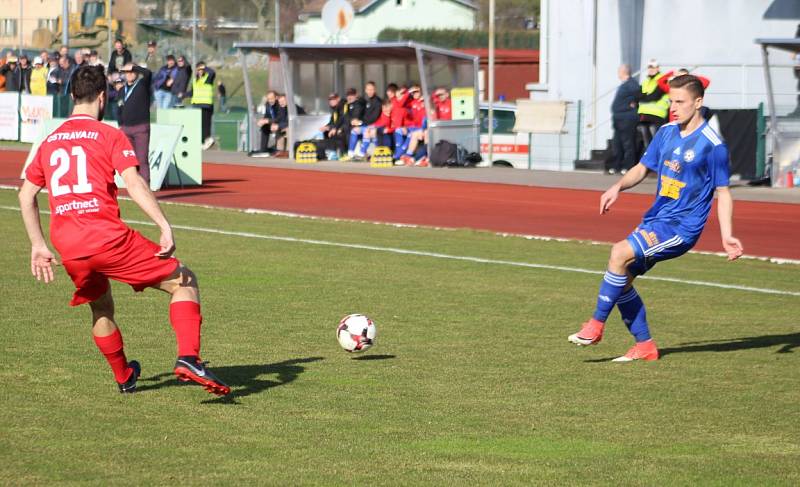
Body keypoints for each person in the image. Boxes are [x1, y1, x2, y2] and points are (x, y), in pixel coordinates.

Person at [17, 65, 230, 396]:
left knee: (101, 307)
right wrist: (163, 225)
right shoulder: (109, 135)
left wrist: (37, 245)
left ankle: (124, 375)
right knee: (183, 280)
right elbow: (133, 181)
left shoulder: (49, 141)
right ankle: (189, 357)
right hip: (106, 237)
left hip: (69, 247)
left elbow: (26, 193)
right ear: (103, 97)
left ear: (72, 96)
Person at [567, 75, 743, 362]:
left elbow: (723, 193)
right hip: (657, 219)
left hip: (681, 227)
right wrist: (617, 187)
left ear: (698, 102)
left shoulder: (713, 145)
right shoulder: (666, 132)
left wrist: (727, 235)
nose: (673, 107)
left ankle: (595, 326)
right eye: (671, 101)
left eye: (680, 101)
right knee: (621, 279)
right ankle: (645, 345)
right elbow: (641, 168)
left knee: (619, 252)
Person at [117, 63, 153, 183]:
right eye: (126, 72)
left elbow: (148, 73)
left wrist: (134, 67)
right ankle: (134, 186)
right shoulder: (122, 89)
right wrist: (120, 124)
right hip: (126, 129)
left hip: (140, 128)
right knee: (130, 161)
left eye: (131, 72)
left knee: (142, 160)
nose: (129, 74)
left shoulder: (142, 84)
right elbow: (119, 108)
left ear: (136, 73)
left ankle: (145, 187)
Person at [609, 64, 640, 175]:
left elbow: (638, 92)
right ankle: (616, 165)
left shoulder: (631, 83)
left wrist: (635, 102)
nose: (618, 73)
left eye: (619, 70)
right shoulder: (624, 85)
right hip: (618, 118)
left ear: (624, 72)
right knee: (617, 143)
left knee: (628, 143)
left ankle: (629, 167)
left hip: (627, 118)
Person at [636, 59, 669, 152]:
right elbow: (637, 95)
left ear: (658, 68)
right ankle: (650, 165)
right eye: (649, 67)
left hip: (657, 116)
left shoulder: (663, 79)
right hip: (644, 115)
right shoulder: (645, 81)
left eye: (653, 67)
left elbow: (655, 96)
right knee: (647, 145)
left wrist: (644, 96)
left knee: (657, 143)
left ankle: (659, 165)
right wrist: (645, 96)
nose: (651, 69)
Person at [345, 81, 381, 160]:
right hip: (366, 125)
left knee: (366, 131)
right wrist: (357, 122)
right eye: (368, 89)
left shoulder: (377, 101)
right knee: (354, 130)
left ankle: (362, 154)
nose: (370, 91)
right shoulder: (367, 101)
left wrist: (361, 123)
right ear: (365, 90)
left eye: (372, 89)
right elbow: (365, 115)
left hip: (375, 125)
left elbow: (374, 117)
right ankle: (350, 154)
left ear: (375, 90)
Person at [396, 84, 426, 163]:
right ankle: (400, 155)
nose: (415, 94)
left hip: (421, 128)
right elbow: (400, 104)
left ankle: (404, 156)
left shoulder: (425, 101)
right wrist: (408, 92)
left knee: (412, 134)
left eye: (417, 92)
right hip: (412, 127)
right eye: (414, 92)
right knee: (398, 130)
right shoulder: (411, 102)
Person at [189, 61, 216, 150]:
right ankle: (202, 141)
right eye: (199, 69)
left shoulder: (208, 78)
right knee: (198, 124)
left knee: (205, 124)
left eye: (202, 69)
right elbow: (192, 92)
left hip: (206, 104)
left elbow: (212, 72)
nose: (200, 71)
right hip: (196, 105)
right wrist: (183, 95)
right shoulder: (195, 81)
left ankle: (207, 139)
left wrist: (205, 67)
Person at [319, 93, 348, 158]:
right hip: (338, 126)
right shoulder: (335, 109)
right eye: (330, 100)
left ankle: (343, 153)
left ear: (338, 99)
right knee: (325, 132)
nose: (331, 101)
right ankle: (331, 151)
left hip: (345, 127)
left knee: (338, 133)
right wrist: (327, 127)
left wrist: (335, 128)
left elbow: (343, 119)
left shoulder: (343, 106)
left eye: (333, 99)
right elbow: (332, 121)